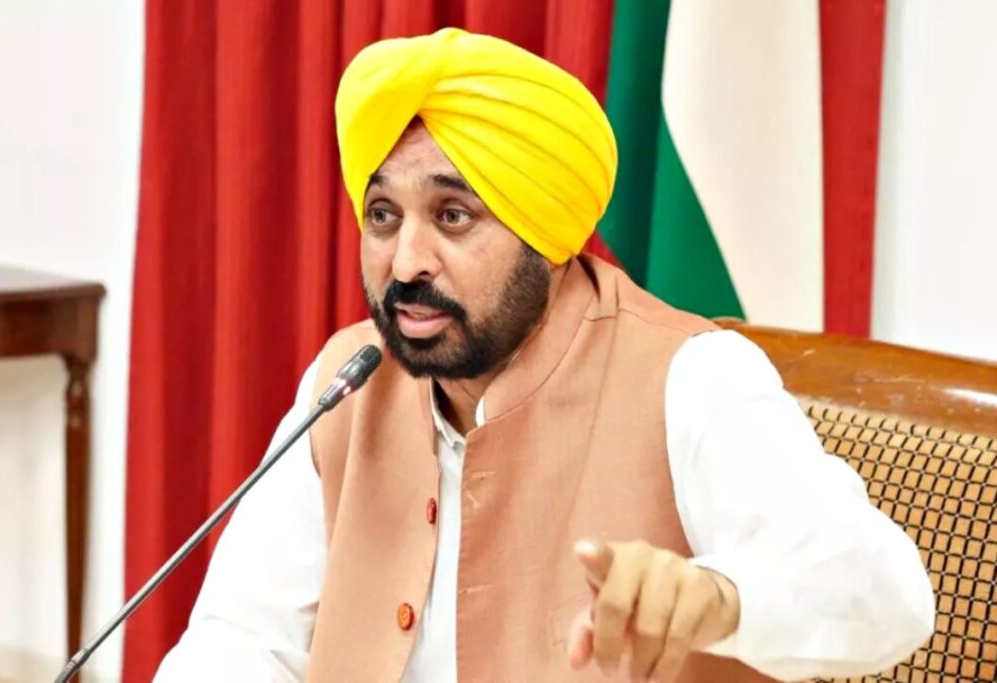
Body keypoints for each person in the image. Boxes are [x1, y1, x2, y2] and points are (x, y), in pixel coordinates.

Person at [155, 28, 933, 682]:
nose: (405, 262)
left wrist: (719, 597)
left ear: (547, 235)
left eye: (453, 216)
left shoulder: (689, 376)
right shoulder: (349, 382)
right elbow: (239, 642)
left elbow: (886, 593)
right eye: (383, 215)